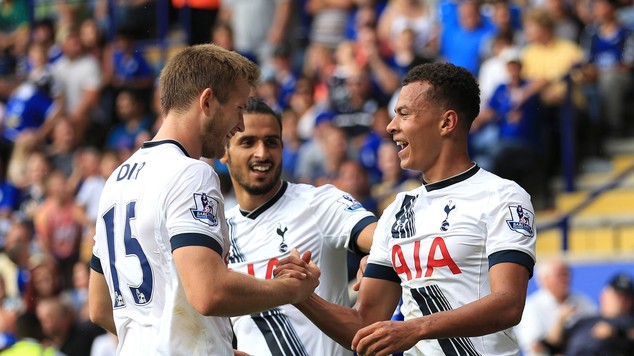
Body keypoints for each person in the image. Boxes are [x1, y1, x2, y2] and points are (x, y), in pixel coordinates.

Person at [275, 62, 537, 355]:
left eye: (404, 114)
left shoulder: (502, 196)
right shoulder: (398, 209)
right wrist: (301, 295)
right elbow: (366, 323)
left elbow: (509, 303)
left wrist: (416, 327)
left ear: (446, 123)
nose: (391, 126)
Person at [87, 44, 320, 355]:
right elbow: (208, 292)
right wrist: (290, 290)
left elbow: (99, 308)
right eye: (239, 109)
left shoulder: (116, 180)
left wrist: (209, 345)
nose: (239, 125)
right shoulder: (191, 173)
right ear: (208, 101)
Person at [221, 97, 377, 356]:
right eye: (248, 142)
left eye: (271, 142)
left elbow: (382, 238)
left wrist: (377, 256)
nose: (262, 153)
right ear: (224, 151)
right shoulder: (220, 231)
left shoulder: (319, 202)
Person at [515, 258, 597, 356]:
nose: (565, 279)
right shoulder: (531, 307)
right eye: (559, 275)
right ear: (544, 280)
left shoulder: (583, 301)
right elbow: (534, 349)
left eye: (567, 274)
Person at [544, 272, 634, 355]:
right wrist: (560, 319)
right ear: (604, 295)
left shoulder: (629, 322)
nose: (622, 301)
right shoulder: (586, 321)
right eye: (618, 295)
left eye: (627, 297)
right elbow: (553, 345)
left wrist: (617, 333)